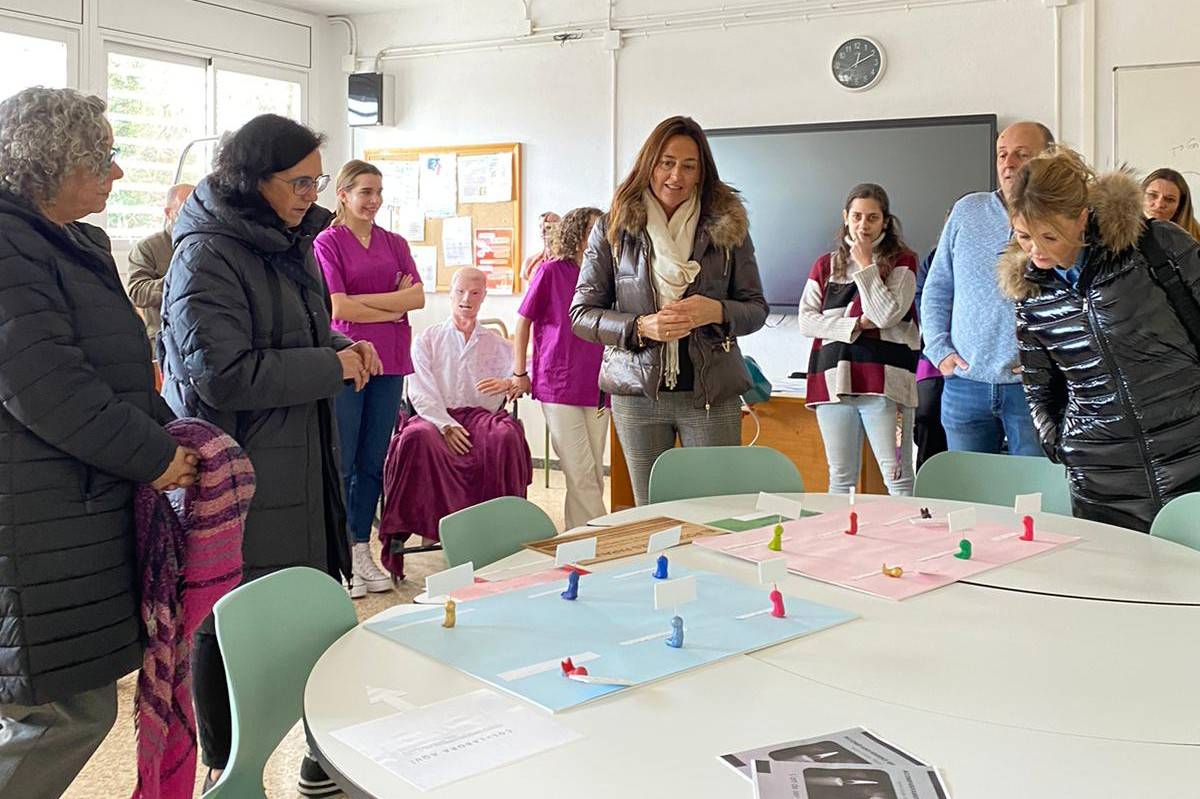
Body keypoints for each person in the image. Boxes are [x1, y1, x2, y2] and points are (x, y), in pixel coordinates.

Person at [159, 113, 379, 796]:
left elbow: (300, 336)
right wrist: (328, 366)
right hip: (241, 474)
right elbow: (220, 374)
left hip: (299, 463)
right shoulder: (206, 253)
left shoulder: (290, 240)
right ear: (253, 178)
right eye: (299, 181)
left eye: (317, 181)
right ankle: (228, 772)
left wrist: (343, 349)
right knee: (230, 626)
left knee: (311, 608)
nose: (312, 194)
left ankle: (320, 755)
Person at [0, 86, 198, 799]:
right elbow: (50, 385)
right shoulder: (9, 243)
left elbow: (112, 368)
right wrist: (153, 453)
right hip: (33, 515)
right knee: (63, 710)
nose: (118, 174)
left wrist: (166, 428)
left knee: (64, 702)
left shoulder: (74, 241)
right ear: (50, 166)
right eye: (104, 159)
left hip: (76, 503)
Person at [998, 147, 1200, 531]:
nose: (1036, 250)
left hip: (1191, 454)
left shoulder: (1158, 246)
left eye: (1049, 235)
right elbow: (1039, 387)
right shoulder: (1030, 293)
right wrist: (1060, 444)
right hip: (1100, 478)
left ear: (1082, 217)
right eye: (1024, 236)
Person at [572, 115, 769, 506]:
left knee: (715, 510)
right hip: (637, 394)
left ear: (701, 173)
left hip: (711, 393)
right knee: (651, 512)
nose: (675, 175)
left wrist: (715, 310)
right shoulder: (613, 227)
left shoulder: (728, 227)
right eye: (666, 162)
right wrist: (641, 327)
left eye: (688, 165)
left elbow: (756, 309)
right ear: (650, 164)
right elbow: (582, 314)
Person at [315, 159, 425, 598]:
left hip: (392, 359)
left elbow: (415, 297)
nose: (374, 200)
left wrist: (381, 303)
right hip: (352, 357)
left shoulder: (395, 243)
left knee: (372, 460)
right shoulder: (328, 243)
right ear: (342, 194)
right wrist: (391, 305)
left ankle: (361, 545)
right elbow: (338, 309)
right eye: (365, 191)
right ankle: (339, 554)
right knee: (343, 460)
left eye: (378, 191)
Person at [379, 267, 532, 576]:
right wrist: (445, 424)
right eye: (461, 292)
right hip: (435, 416)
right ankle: (427, 527)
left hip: (480, 417)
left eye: (475, 293)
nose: (467, 299)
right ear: (451, 294)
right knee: (415, 439)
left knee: (505, 438)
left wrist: (511, 383)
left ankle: (498, 531)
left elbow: (525, 373)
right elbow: (420, 391)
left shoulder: (497, 343)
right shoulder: (428, 340)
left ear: (483, 298)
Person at [920, 121, 1054, 456]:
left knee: (1033, 498)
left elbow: (1078, 302)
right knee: (969, 500)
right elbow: (937, 287)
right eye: (1002, 154)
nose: (1009, 164)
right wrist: (940, 350)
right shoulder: (968, 211)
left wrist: (1048, 362)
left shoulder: (1061, 221)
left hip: (1031, 390)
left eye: (1022, 155)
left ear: (1048, 159)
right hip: (965, 385)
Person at [798, 184, 919, 496]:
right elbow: (806, 320)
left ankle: (909, 542)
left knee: (898, 478)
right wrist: (854, 325)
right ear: (845, 218)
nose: (863, 225)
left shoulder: (903, 262)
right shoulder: (825, 264)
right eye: (857, 217)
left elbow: (885, 316)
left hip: (886, 386)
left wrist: (866, 265)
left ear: (885, 222)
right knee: (840, 479)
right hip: (832, 383)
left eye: (872, 218)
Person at [511, 206, 608, 528]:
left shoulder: (606, 274)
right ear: (576, 234)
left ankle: (577, 539)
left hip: (599, 385)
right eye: (592, 229)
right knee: (581, 473)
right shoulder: (551, 272)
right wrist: (519, 373)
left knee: (593, 473)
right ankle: (601, 537)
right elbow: (523, 322)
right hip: (559, 382)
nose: (599, 236)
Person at [126, 182, 194, 350]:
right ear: (168, 213)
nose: (193, 216)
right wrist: (178, 282)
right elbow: (137, 292)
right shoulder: (148, 247)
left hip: (201, 336)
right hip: (164, 340)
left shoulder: (208, 245)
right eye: (185, 210)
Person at [913, 246, 948, 470]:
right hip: (934, 359)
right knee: (927, 420)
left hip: (978, 364)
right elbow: (921, 298)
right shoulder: (935, 258)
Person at [1142, 167, 1200, 240]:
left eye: (1169, 199)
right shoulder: (1124, 236)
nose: (1159, 204)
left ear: (1179, 207)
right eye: (1152, 195)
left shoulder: (1195, 243)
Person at [520, 210, 560, 281]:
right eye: (540, 226)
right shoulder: (530, 262)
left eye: (549, 227)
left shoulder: (570, 262)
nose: (543, 231)